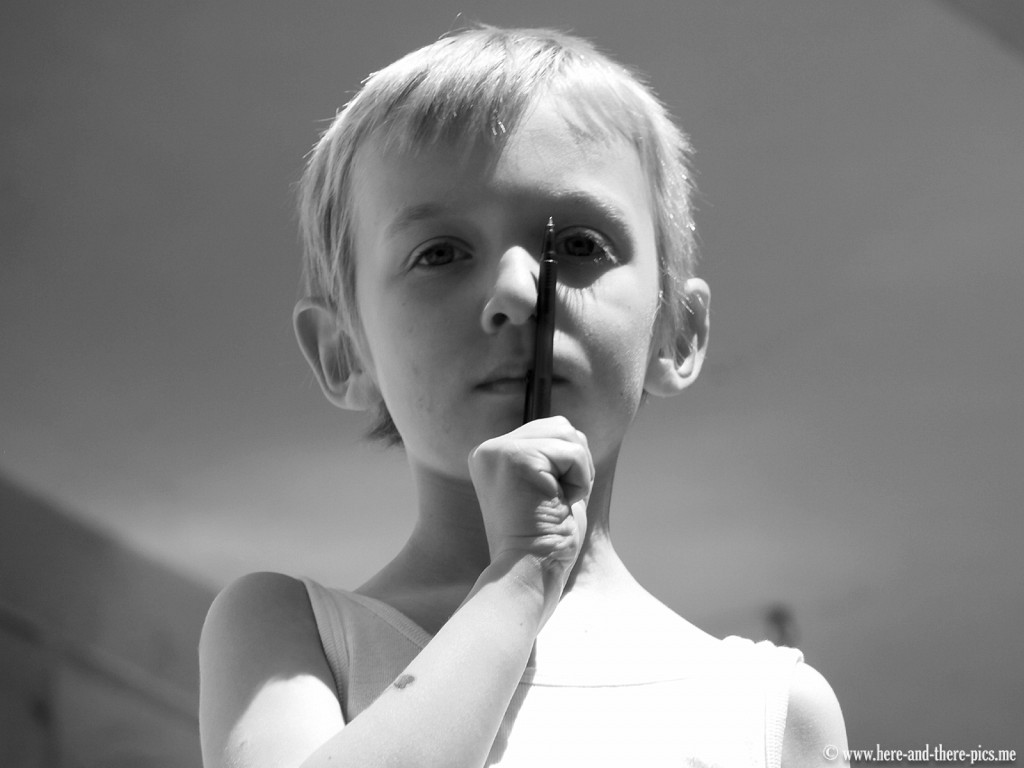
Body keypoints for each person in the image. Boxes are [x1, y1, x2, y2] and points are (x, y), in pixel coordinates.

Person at [198, 25, 847, 768]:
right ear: (342, 352)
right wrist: (518, 579)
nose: (516, 292)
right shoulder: (290, 636)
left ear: (678, 330)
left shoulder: (771, 712)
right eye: (439, 253)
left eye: (577, 246)